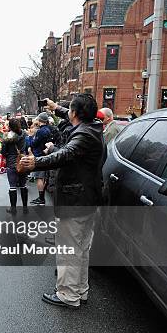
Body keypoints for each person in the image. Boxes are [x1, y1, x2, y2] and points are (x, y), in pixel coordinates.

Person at [20, 93, 105, 308]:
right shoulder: (93, 126)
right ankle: (80, 291)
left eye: (70, 111)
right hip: (87, 199)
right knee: (81, 248)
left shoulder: (83, 135)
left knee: (69, 249)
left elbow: (65, 155)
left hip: (75, 201)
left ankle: (68, 294)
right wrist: (55, 107)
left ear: (75, 113)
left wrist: (35, 162)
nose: (68, 114)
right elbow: (68, 121)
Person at [1, 118, 28, 214]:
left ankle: (13, 209)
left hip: (12, 162)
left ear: (10, 126)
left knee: (12, 186)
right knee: (23, 185)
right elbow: (28, 146)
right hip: (23, 161)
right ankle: (25, 208)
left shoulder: (8, 136)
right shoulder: (25, 134)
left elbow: (3, 152)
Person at [28, 112, 52, 206]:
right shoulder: (49, 129)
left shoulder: (41, 131)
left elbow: (34, 143)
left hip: (39, 155)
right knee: (43, 177)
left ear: (40, 120)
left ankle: (41, 199)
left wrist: (30, 137)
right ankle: (41, 197)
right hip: (47, 155)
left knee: (39, 177)